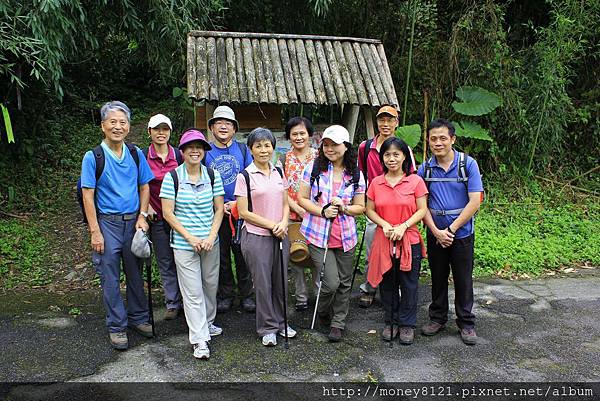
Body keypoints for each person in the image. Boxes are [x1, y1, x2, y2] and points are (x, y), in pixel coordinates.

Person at [80, 101, 154, 350]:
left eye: (122, 122)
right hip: (107, 223)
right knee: (110, 277)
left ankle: (139, 318)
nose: (118, 126)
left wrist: (143, 215)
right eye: (112, 121)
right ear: (103, 126)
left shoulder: (135, 153)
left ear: (129, 126)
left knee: (135, 273)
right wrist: (95, 231)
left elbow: (144, 186)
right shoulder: (93, 157)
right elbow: (87, 195)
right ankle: (116, 326)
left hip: (133, 221)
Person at [417, 118, 483, 345]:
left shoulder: (468, 164)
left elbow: (475, 201)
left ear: (452, 139)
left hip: (461, 233)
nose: (438, 143)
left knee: (463, 279)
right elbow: (420, 205)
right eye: (433, 139)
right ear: (429, 141)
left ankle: (466, 323)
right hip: (436, 233)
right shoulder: (424, 169)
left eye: (443, 138)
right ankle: (437, 318)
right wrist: (436, 231)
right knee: (437, 277)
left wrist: (451, 230)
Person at [160, 129, 225, 359]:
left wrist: (209, 237)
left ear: (204, 151)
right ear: (183, 151)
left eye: (199, 147)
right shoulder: (173, 177)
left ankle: (207, 323)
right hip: (184, 243)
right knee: (192, 292)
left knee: (209, 286)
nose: (195, 151)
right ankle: (199, 340)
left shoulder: (213, 175)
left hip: (210, 242)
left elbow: (219, 209)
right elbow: (168, 213)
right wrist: (190, 237)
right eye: (190, 147)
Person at [297, 125, 366, 342]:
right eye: (326, 145)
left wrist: (344, 208)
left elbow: (360, 207)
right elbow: (302, 199)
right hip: (318, 235)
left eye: (334, 145)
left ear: (345, 147)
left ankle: (338, 322)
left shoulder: (355, 174)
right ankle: (324, 311)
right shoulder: (313, 168)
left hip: (346, 236)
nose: (329, 149)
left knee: (345, 283)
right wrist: (322, 211)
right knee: (330, 283)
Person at [234, 128, 296, 347]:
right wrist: (272, 225)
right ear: (250, 149)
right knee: (262, 283)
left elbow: (285, 203)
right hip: (256, 236)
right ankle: (267, 327)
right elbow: (243, 212)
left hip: (280, 233)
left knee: (280, 281)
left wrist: (282, 223)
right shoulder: (244, 176)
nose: (263, 149)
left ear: (273, 147)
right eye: (258, 145)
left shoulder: (279, 171)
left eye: (267, 145)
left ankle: (282, 322)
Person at [365, 137, 427, 345]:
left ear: (404, 157)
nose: (391, 159)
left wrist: (403, 225)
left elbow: (422, 210)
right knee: (388, 283)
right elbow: (370, 210)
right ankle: (391, 321)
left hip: (409, 238)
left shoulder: (415, 181)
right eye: (387, 155)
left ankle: (407, 324)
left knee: (409, 283)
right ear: (382, 158)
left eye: (396, 154)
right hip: (385, 238)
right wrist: (384, 224)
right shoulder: (376, 182)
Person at [204, 105, 255, 313]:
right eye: (219, 123)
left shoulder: (243, 150)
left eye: (228, 123)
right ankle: (225, 293)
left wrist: (236, 203)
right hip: (215, 212)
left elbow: (251, 178)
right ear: (212, 127)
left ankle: (247, 294)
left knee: (243, 254)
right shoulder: (205, 151)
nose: (223, 127)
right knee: (222, 255)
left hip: (240, 211)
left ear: (234, 128)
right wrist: (219, 204)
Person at [357, 105, 400, 308]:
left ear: (396, 123)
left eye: (390, 120)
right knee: (372, 248)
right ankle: (369, 288)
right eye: (382, 120)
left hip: (397, 206)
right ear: (377, 122)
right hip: (373, 206)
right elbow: (361, 175)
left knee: (397, 250)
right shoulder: (365, 148)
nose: (385, 124)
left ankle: (392, 289)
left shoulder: (402, 148)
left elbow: (409, 177)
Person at [144, 114, 183, 320]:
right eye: (157, 129)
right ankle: (172, 302)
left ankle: (188, 300)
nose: (161, 133)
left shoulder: (178, 155)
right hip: (157, 218)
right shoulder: (142, 157)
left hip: (181, 218)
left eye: (165, 129)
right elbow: (138, 185)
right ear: (149, 132)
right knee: (165, 260)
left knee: (184, 259)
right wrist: (147, 206)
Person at [280, 117, 319, 311]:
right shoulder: (283, 159)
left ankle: (319, 294)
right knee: (296, 255)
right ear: (289, 136)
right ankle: (301, 296)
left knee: (317, 257)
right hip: (292, 215)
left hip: (317, 216)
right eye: (294, 134)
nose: (298, 137)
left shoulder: (320, 157)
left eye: (302, 133)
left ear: (309, 135)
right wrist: (297, 208)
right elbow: (280, 189)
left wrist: (312, 210)